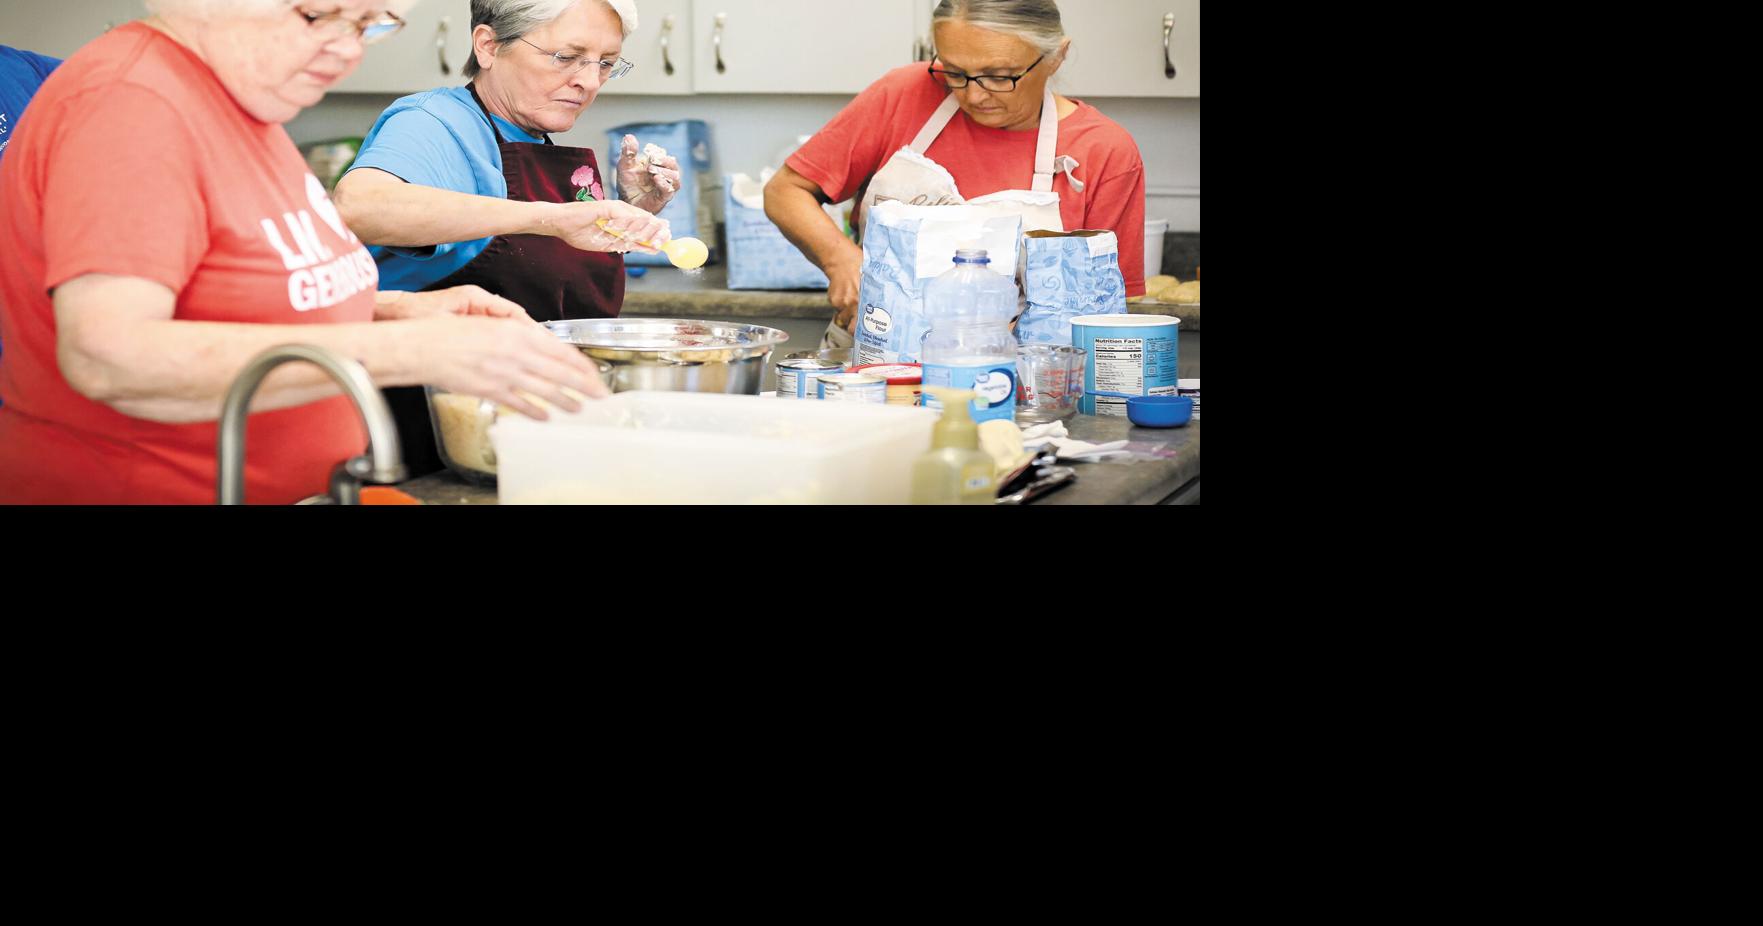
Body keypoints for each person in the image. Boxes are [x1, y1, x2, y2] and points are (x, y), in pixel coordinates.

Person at [0, 0, 609, 505]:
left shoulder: (242, 100)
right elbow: (110, 357)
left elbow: (234, 293)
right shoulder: (132, 104)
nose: (349, 50)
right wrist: (409, 350)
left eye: (370, 25)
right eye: (320, 16)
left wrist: (397, 310)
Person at [333, 0, 679, 475]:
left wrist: (633, 212)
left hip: (522, 424)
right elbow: (361, 206)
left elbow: (552, 277)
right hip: (430, 432)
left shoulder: (534, 135)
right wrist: (549, 218)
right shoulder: (433, 120)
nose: (590, 81)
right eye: (565, 57)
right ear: (489, 45)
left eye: (605, 63)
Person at [764, 0, 1147, 350]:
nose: (975, 95)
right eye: (955, 72)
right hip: (875, 362)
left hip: (1024, 381)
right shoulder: (904, 94)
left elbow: (1108, 312)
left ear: (1056, 57)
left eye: (1000, 76)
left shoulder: (1104, 151)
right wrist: (841, 262)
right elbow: (786, 190)